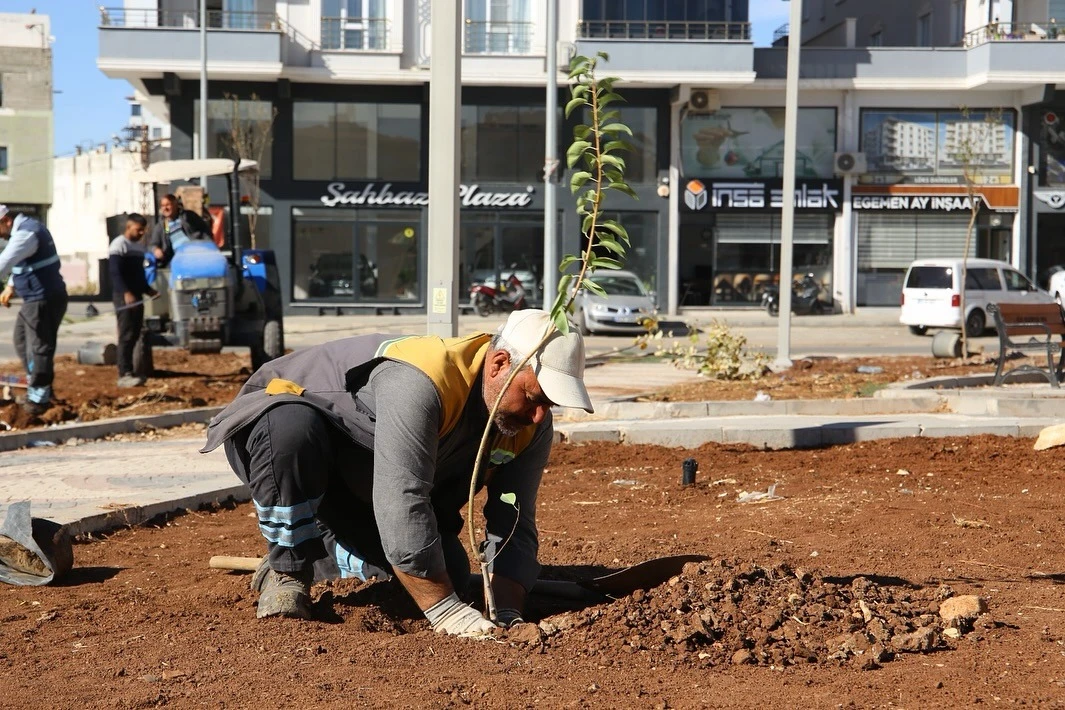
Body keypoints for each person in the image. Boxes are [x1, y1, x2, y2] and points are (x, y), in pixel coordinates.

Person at [201, 309, 593, 636]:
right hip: (292, 443)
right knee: (288, 425)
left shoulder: (529, 426)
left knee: (450, 574)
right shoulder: (422, 381)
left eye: (550, 404)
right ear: (500, 364)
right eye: (533, 397)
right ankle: (289, 567)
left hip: (369, 472)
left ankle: (324, 548)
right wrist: (446, 612)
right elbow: (401, 498)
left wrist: (507, 611)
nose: (539, 415)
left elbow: (514, 520)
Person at [0, 205, 68, 416]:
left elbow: (5, 261)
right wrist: (11, 286)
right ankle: (39, 388)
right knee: (21, 340)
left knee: (39, 348)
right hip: (34, 299)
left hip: (42, 299)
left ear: (6, 221)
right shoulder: (26, 231)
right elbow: (19, 261)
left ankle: (39, 399)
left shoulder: (26, 234)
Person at [108, 213, 158, 388]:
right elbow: (115, 273)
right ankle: (124, 373)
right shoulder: (119, 245)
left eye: (143, 230)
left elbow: (139, 275)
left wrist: (148, 290)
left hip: (137, 297)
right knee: (126, 335)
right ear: (129, 227)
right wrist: (126, 292)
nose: (141, 233)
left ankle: (132, 371)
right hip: (125, 298)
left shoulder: (138, 247)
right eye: (138, 229)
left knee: (135, 334)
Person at [147, 194, 209, 267]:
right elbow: (152, 244)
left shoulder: (188, 217)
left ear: (175, 205)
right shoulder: (163, 226)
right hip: (175, 259)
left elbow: (205, 232)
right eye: (163, 206)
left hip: (195, 253)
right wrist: (155, 250)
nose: (165, 208)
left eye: (168, 205)